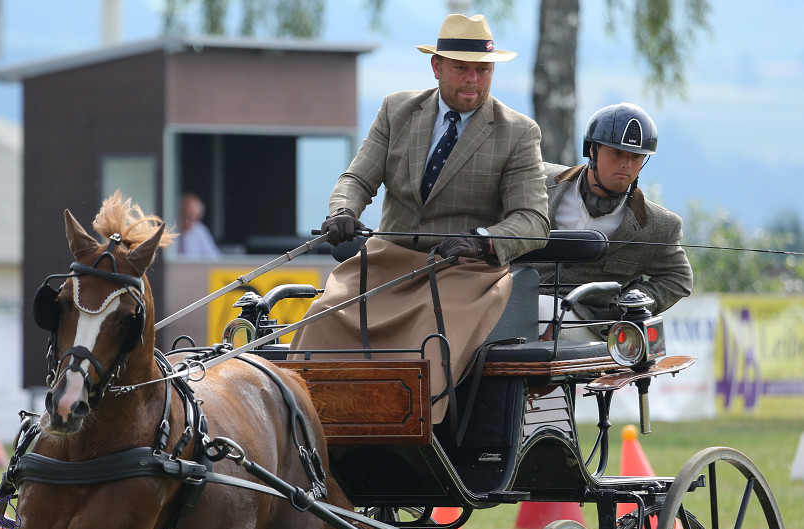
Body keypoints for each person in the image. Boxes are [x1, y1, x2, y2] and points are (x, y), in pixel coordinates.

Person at [289, 13, 550, 422]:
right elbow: (357, 177)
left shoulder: (517, 132)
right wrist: (342, 211)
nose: (473, 80)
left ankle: (410, 438)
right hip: (386, 262)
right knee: (321, 317)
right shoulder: (397, 110)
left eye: (483, 70)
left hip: (465, 271)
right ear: (437, 67)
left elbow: (533, 220)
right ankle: (305, 431)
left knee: (429, 334)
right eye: (462, 69)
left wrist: (482, 239)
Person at [531, 102, 693, 341]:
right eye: (617, 153)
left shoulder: (659, 226)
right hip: (511, 298)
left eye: (636, 157)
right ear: (592, 150)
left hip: (592, 324)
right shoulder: (536, 180)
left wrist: (632, 302)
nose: (626, 165)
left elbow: (679, 278)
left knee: (541, 312)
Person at [176, 192, 220, 259]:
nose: (188, 219)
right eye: (185, 214)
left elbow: (214, 258)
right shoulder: (169, 229)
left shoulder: (200, 231)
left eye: (192, 217)